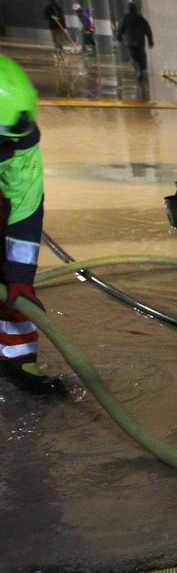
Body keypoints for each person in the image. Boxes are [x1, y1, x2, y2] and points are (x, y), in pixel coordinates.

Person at [0, 55, 61, 395]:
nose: (7, 149)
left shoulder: (18, 137)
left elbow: (24, 209)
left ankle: (17, 357)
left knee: (9, 275)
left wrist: (20, 279)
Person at [115, 3, 154, 81]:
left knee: (133, 57)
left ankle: (138, 70)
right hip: (140, 41)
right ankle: (142, 70)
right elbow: (148, 30)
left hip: (130, 42)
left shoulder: (125, 18)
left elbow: (121, 28)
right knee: (141, 56)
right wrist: (150, 41)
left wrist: (119, 37)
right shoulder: (141, 19)